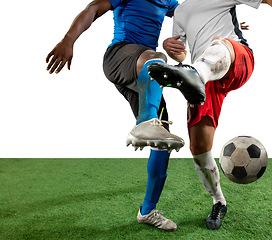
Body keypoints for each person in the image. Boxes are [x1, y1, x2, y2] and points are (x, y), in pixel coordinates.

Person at [148, 0, 272, 230]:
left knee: (220, 43)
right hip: (203, 81)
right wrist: (173, 50)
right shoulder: (179, 11)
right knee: (198, 147)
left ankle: (195, 74)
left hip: (235, 59)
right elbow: (182, 56)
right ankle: (219, 202)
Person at [45, 0, 185, 232]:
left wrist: (223, 26)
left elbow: (192, 15)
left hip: (144, 74)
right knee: (156, 58)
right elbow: (93, 9)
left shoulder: (168, 1)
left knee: (162, 141)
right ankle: (147, 120)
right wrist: (68, 40)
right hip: (120, 57)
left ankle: (147, 211)